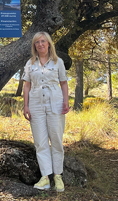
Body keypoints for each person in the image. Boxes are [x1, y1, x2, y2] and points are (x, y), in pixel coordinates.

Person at [22, 31, 70, 192]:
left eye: (43, 41)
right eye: (37, 42)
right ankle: (45, 177)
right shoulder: (30, 63)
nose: (40, 44)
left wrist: (66, 101)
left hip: (55, 103)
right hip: (35, 104)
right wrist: (26, 105)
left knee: (56, 139)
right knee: (40, 142)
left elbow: (63, 83)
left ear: (49, 43)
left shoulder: (58, 62)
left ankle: (58, 176)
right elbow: (26, 85)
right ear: (34, 46)